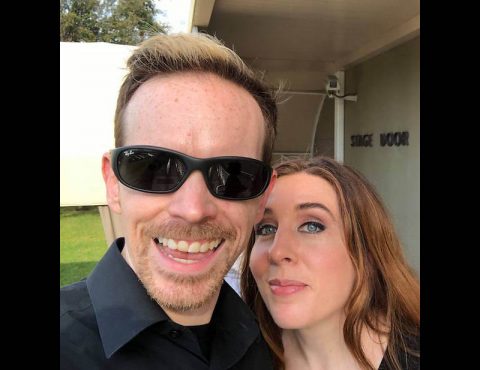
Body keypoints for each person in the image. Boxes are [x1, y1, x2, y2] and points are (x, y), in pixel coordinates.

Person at [60, 33, 279, 369]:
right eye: (154, 168)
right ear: (113, 183)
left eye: (232, 176)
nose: (192, 209)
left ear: (261, 197)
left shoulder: (268, 336)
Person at [241, 156, 420, 370]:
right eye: (266, 228)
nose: (277, 251)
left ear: (367, 253)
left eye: (312, 226)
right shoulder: (236, 358)